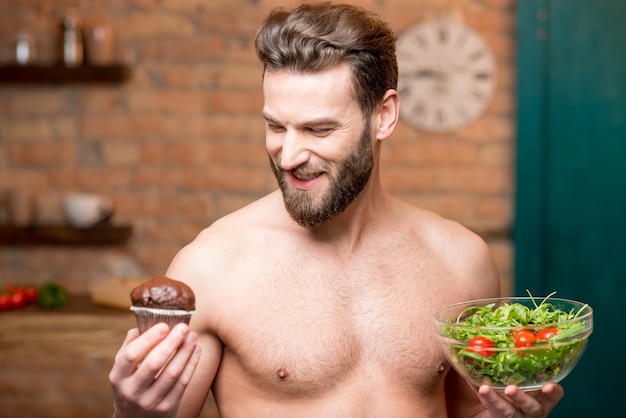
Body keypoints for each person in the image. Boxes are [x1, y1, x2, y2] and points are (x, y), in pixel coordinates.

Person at [109, 2, 565, 417]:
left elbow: (472, 411)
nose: (288, 155)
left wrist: (513, 415)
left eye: (318, 129)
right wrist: (131, 413)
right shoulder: (211, 267)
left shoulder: (462, 262)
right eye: (275, 126)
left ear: (383, 116)